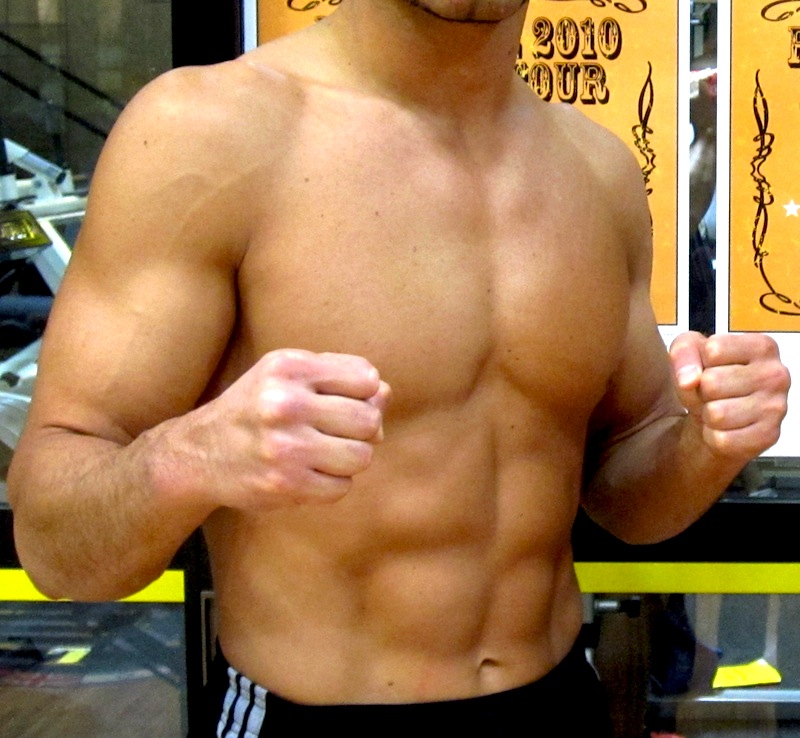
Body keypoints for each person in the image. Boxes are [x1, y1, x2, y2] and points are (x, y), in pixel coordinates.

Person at [7, 1, 790, 735]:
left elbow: (628, 500)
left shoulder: (598, 169)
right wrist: (193, 455)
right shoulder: (208, 133)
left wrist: (706, 442)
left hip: (556, 701)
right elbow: (53, 545)